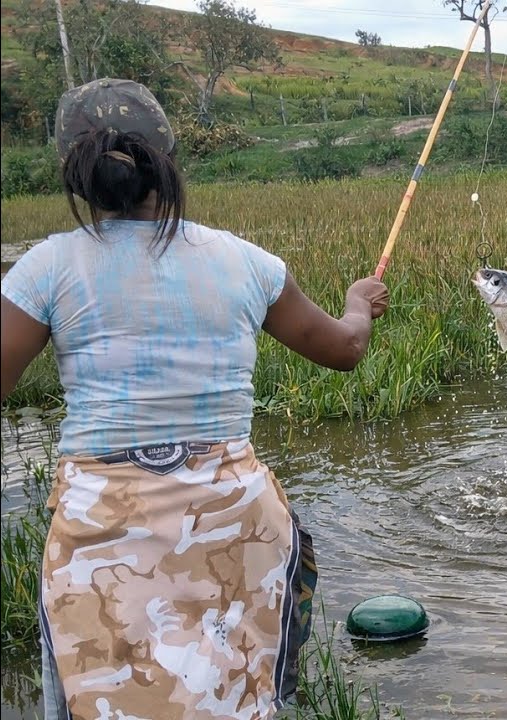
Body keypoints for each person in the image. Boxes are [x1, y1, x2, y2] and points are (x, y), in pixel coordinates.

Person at [0, 78, 390, 719]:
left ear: (76, 176)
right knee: (238, 702)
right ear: (170, 162)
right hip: (237, 524)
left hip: (101, 540)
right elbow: (346, 348)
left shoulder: (46, 267)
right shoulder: (247, 262)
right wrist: (356, 303)